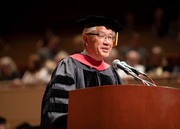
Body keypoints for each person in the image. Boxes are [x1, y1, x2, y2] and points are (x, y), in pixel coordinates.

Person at [40, 15, 124, 129]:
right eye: (102, 36)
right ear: (85, 39)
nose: (107, 42)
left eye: (111, 37)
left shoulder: (111, 72)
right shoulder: (69, 65)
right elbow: (59, 112)